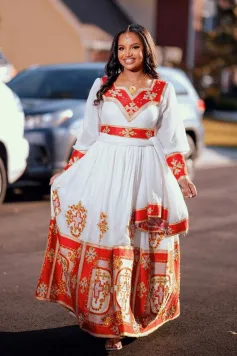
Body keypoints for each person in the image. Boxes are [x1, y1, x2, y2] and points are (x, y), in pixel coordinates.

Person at [35, 24, 197, 351]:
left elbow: (172, 142)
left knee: (136, 240)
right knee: (110, 239)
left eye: (134, 47)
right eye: (121, 48)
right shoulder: (102, 86)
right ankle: (111, 322)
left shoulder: (162, 90)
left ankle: (134, 312)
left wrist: (180, 176)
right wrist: (68, 171)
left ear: (145, 50)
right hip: (104, 169)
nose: (127, 54)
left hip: (145, 172)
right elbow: (87, 137)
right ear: (115, 52)